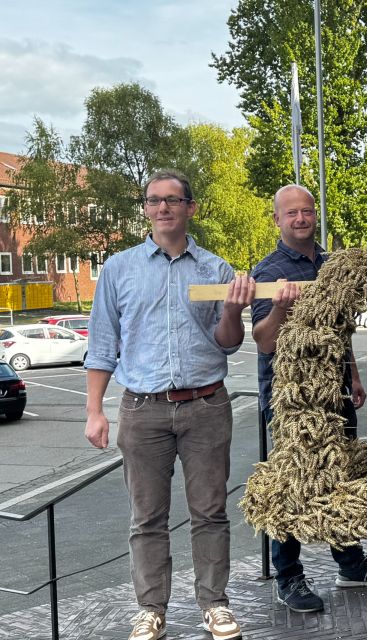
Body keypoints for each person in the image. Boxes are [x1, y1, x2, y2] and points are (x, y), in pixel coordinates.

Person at [84, 170, 252, 640]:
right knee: (146, 517)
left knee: (211, 512)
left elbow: (228, 343)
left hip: (206, 406)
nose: (163, 208)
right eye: (154, 200)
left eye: (173, 200)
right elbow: (101, 344)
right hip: (143, 410)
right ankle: (151, 608)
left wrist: (233, 311)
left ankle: (214, 604)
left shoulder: (216, 270)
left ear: (190, 208)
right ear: (145, 208)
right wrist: (94, 410)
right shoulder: (119, 269)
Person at [250, 184, 367, 613]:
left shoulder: (332, 265)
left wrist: (352, 373)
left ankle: (350, 563)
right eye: (292, 213)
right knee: (294, 482)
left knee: (341, 477)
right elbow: (264, 342)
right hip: (292, 401)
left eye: (308, 211)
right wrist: (279, 306)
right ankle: (288, 575)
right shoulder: (268, 273)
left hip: (335, 393)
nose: (301, 219)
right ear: (277, 220)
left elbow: (340, 330)